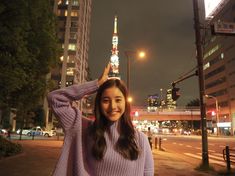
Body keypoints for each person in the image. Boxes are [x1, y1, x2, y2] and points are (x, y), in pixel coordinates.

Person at [47, 63, 154, 176]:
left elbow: (148, 173)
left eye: (118, 100)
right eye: (106, 100)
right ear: (99, 103)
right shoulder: (84, 129)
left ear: (125, 103)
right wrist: (96, 84)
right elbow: (55, 99)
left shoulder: (140, 139)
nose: (112, 106)